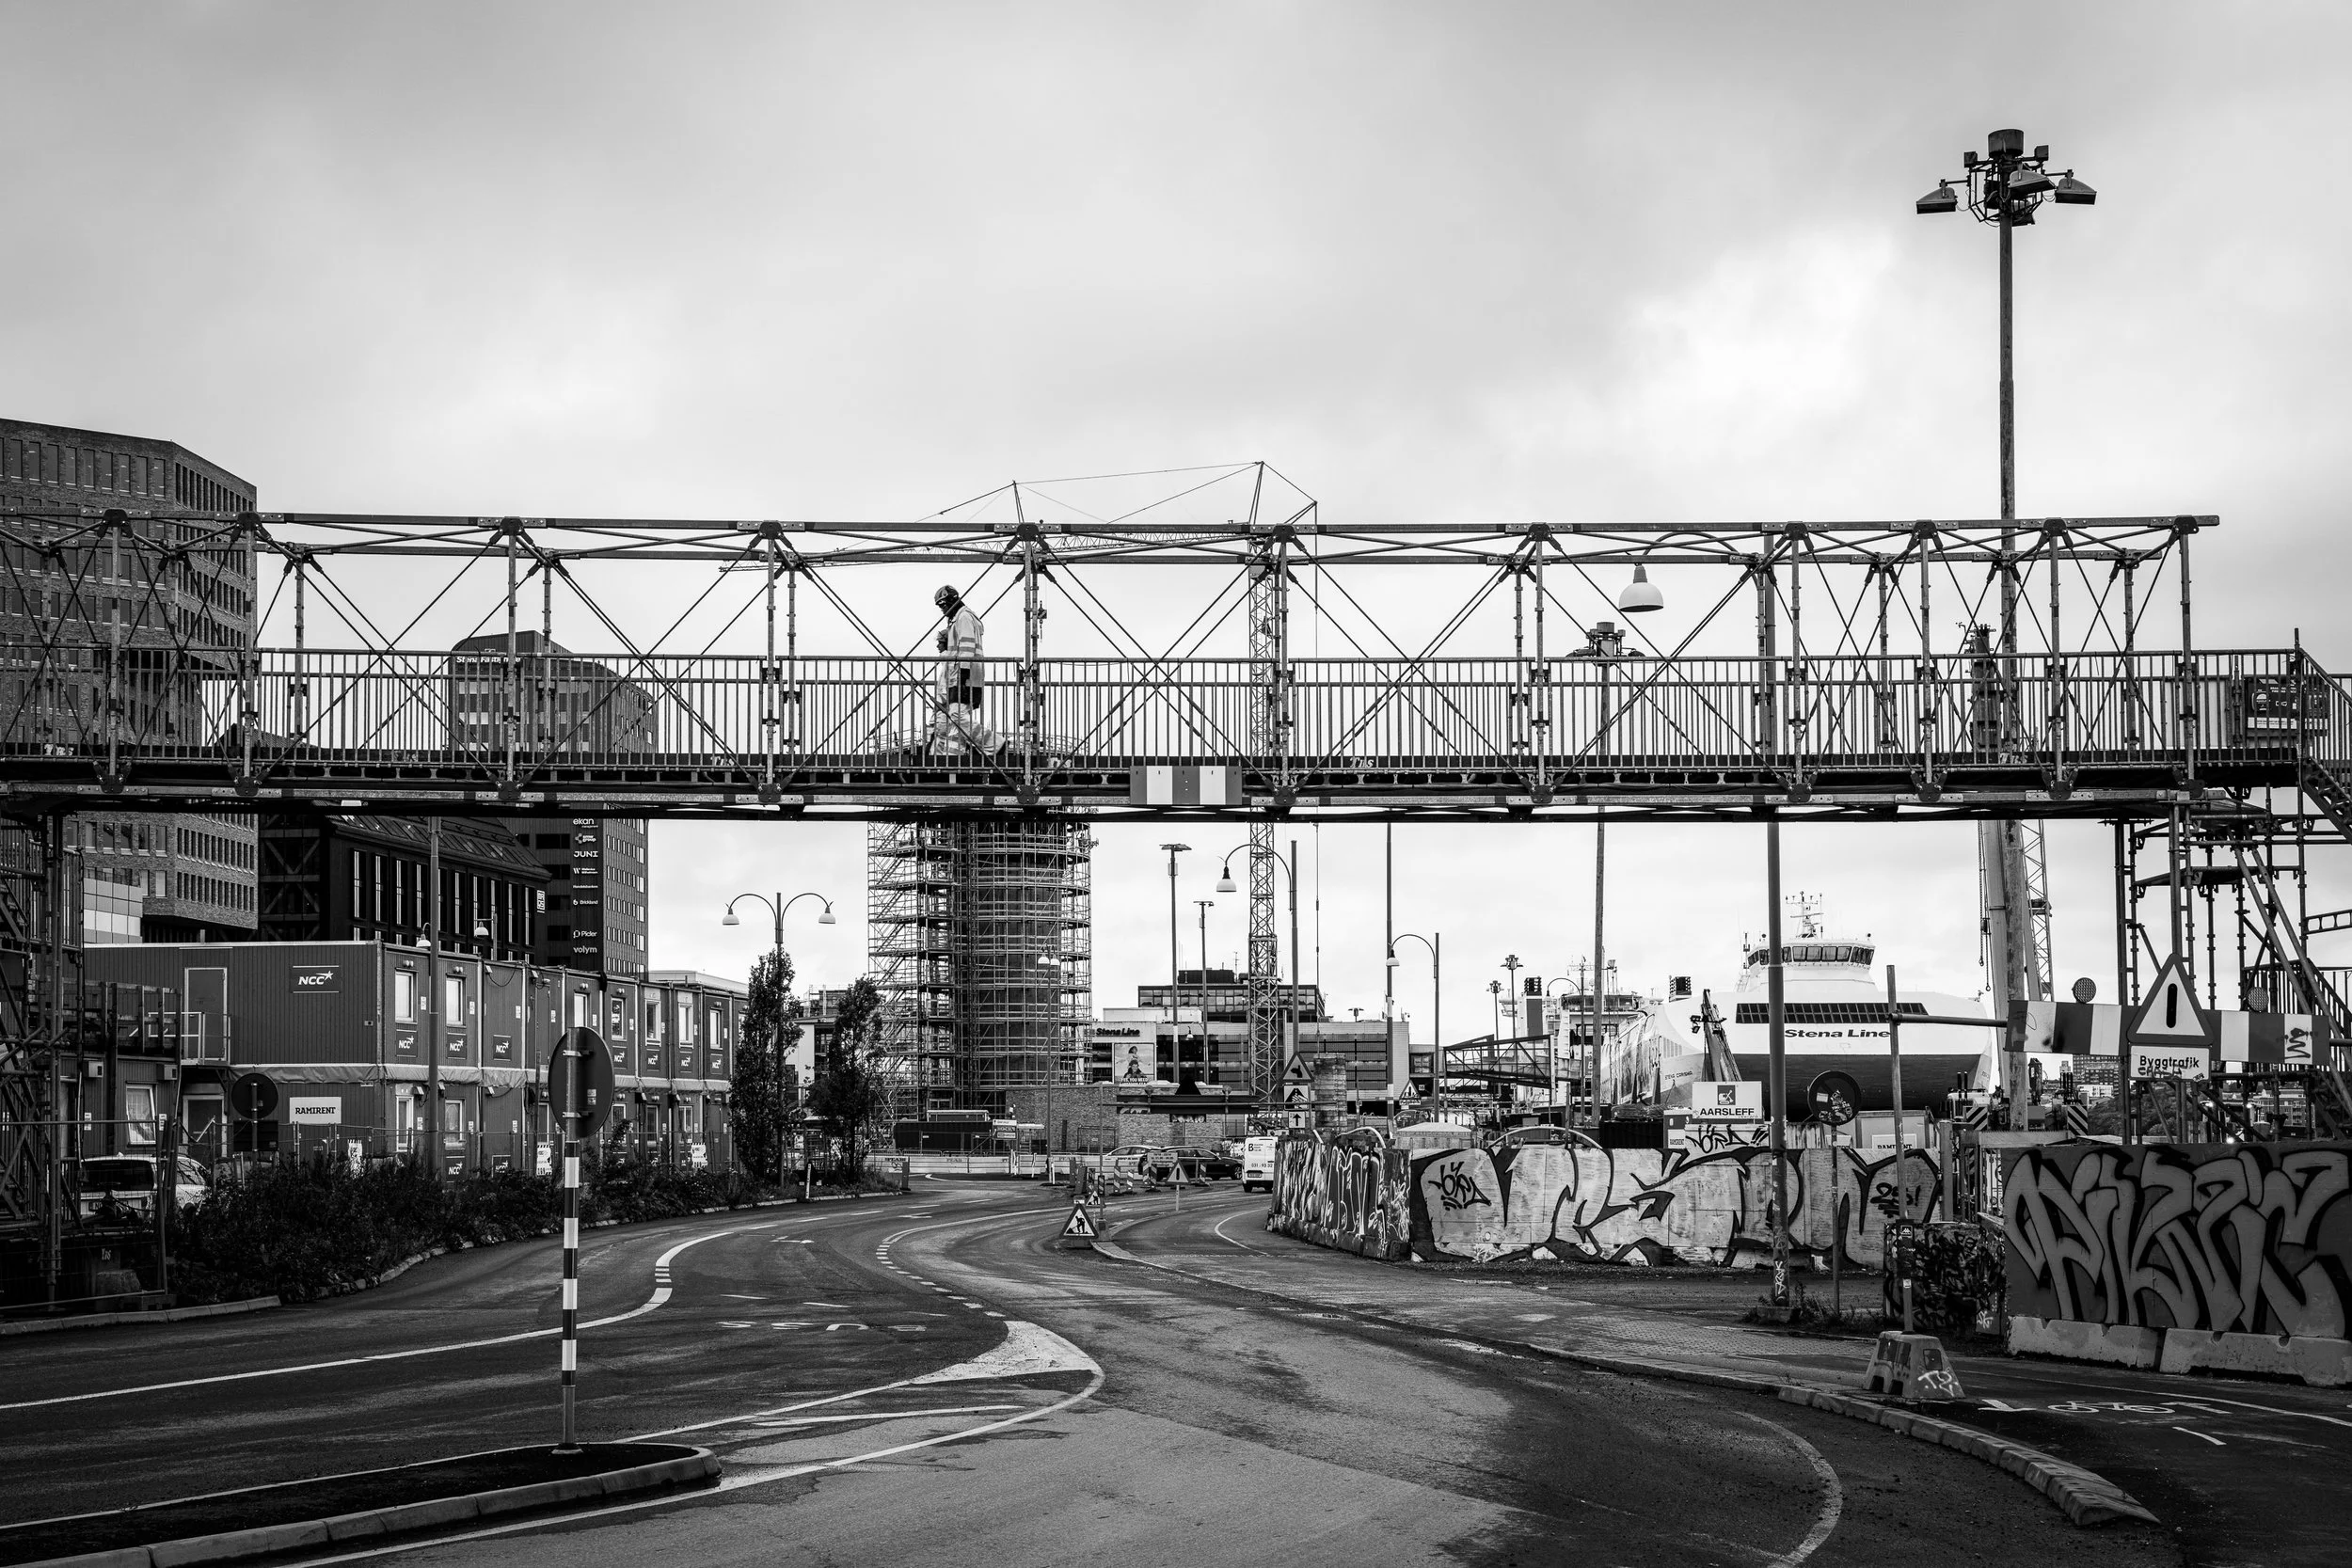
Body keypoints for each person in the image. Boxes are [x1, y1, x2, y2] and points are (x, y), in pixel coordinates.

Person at [930, 584, 993, 753]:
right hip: (959, 676)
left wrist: (963, 676)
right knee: (953, 719)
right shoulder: (957, 619)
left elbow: (966, 649)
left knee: (957, 717)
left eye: (943, 605)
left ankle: (994, 744)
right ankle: (953, 755)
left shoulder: (963, 617)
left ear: (952, 600)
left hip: (966, 676)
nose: (942, 609)